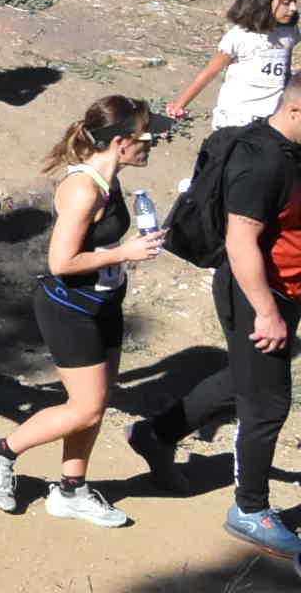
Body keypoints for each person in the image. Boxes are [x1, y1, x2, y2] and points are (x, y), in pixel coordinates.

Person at [0, 96, 168, 528]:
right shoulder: (84, 188)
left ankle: (72, 490)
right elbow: (61, 262)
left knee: (95, 401)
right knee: (86, 409)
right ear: (120, 142)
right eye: (146, 136)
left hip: (102, 303)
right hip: (69, 309)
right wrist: (125, 252)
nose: (153, 143)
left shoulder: (109, 180)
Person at [127, 80, 301, 564]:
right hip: (255, 292)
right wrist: (267, 311)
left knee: (243, 379)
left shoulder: (290, 150)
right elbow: (241, 242)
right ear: (296, 109)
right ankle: (250, 510)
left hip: (284, 288)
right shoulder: (261, 163)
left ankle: (155, 434)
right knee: (267, 404)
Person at [169, 0, 301, 130]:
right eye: (286, 2)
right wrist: (179, 105)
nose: (294, 8)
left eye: (295, 1)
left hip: (273, 120)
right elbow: (210, 72)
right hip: (237, 120)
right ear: (263, 1)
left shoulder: (289, 33)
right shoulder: (240, 37)